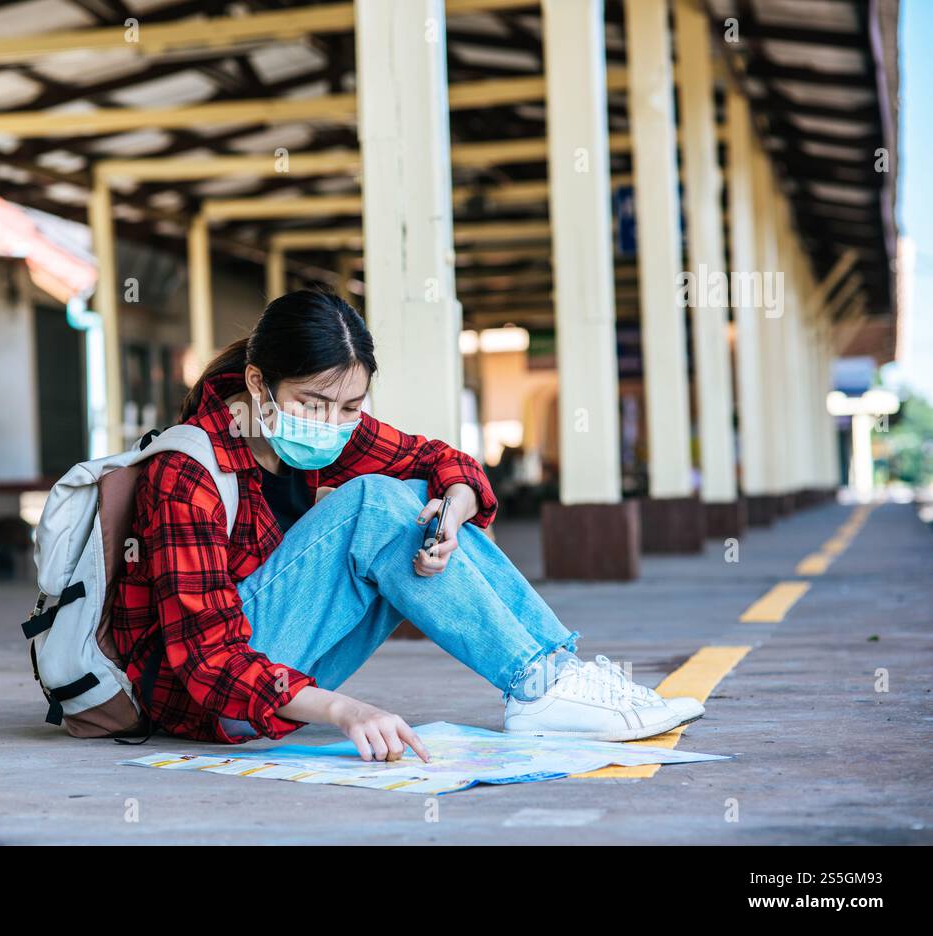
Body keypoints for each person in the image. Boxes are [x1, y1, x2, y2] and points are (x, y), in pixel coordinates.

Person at [110, 289, 704, 763]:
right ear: (259, 383)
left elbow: (444, 461)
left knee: (420, 498)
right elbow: (205, 661)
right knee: (375, 503)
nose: (333, 423)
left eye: (351, 406)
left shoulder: (329, 434)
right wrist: (346, 712)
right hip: (209, 703)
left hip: (281, 670)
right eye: (314, 402)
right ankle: (539, 686)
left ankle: (551, 675)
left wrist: (455, 511)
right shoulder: (187, 471)